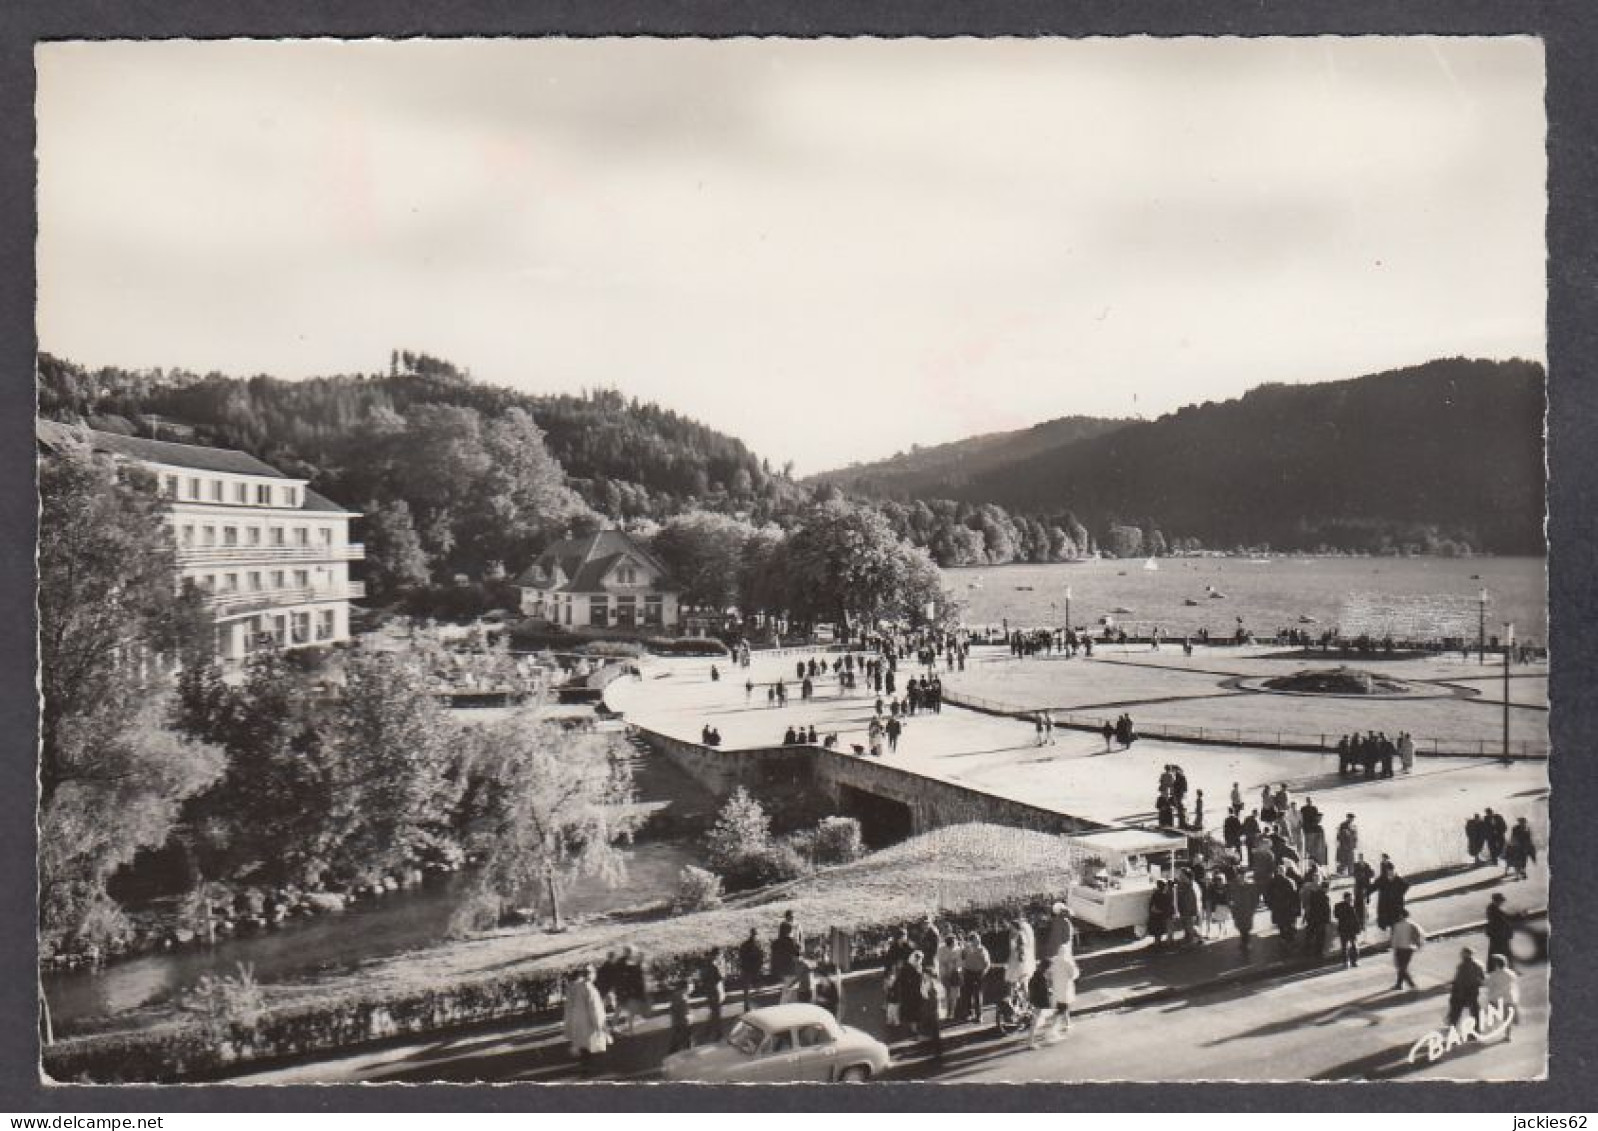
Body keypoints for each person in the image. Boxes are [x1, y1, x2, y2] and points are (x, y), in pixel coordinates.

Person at [564, 967, 612, 1073]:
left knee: (584, 1049)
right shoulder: (589, 988)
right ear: (591, 974)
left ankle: (585, 1067)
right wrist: (600, 1026)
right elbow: (594, 1009)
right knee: (595, 1048)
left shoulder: (575, 987)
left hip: (578, 1022)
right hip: (589, 1023)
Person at [1448, 947, 1486, 1030]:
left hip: (1461, 992)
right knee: (1474, 1011)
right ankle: (1476, 1028)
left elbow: (1458, 980)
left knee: (1456, 1012)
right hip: (1473, 991)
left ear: (1466, 954)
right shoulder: (1479, 965)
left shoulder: (1462, 966)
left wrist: (1453, 987)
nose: (1461, 955)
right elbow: (1482, 978)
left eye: (1462, 954)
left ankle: (1452, 1028)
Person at [1485, 954, 1521, 1041]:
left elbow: (1489, 985)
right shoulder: (1511, 973)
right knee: (1507, 1018)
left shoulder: (1494, 975)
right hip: (1510, 998)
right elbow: (1514, 985)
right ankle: (1508, 1035)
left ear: (1496, 964)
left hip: (1497, 999)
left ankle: (1491, 1031)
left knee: (1493, 1015)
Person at [958, 932, 992, 1024]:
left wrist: (983, 973)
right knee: (967, 994)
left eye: (977, 939)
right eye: (974, 940)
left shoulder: (983, 950)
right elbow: (962, 958)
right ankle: (968, 1013)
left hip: (979, 974)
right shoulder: (966, 948)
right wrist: (962, 971)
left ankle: (979, 1015)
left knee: (977, 995)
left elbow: (988, 964)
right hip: (968, 973)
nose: (976, 941)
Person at [1390, 909, 1426, 991]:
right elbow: (1421, 934)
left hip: (1400, 948)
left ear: (1401, 916)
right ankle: (1399, 984)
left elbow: (1395, 938)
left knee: (1401, 967)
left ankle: (1411, 984)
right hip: (1409, 949)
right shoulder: (1413, 925)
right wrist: (1419, 945)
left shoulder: (1397, 925)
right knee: (1403, 967)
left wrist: (1394, 947)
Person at [1026, 955, 1057, 1048]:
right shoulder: (1041, 977)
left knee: (1037, 1021)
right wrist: (1049, 991)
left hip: (1037, 1001)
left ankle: (1046, 1035)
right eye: (1051, 967)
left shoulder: (1037, 974)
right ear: (1047, 967)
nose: (1051, 969)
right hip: (1039, 1002)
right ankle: (1031, 1043)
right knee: (1035, 1022)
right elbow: (1042, 991)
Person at [1372, 861, 1410, 933]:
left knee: (1396, 921)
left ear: (1393, 870)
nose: (1390, 872)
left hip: (1396, 904)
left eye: (1391, 870)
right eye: (1388, 871)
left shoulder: (1397, 879)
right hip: (1387, 905)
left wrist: (1400, 893)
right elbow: (1374, 886)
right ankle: (1394, 935)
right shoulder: (1383, 879)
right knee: (1390, 921)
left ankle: (1396, 935)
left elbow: (1406, 885)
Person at [1229, 870, 1260, 953]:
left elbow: (1255, 898)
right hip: (1237, 910)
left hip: (1247, 909)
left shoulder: (1251, 886)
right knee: (1239, 926)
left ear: (1245, 877)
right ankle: (1244, 940)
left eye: (1242, 876)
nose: (1241, 878)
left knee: (1247, 926)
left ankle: (1246, 942)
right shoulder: (1233, 886)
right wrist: (1232, 907)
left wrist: (1253, 908)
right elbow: (1230, 898)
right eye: (1239, 876)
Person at [700, 950, 727, 1041]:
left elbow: (703, 981)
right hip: (715, 992)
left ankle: (708, 1030)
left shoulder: (704, 967)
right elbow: (719, 980)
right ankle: (718, 1033)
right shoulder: (714, 967)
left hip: (709, 992)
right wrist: (721, 993)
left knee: (714, 1012)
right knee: (717, 1013)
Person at [935, 933, 963, 1020]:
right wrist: (948, 963)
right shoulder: (941, 949)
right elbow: (940, 960)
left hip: (955, 974)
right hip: (944, 974)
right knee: (946, 994)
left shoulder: (959, 949)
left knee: (954, 995)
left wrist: (956, 969)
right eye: (951, 944)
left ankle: (952, 1013)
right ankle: (946, 1012)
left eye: (954, 943)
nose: (953, 945)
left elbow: (960, 963)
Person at [1485, 893, 1515, 968]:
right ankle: (1509, 968)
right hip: (1499, 935)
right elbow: (1506, 918)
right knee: (1503, 952)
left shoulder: (1494, 909)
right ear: (1496, 901)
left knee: (1497, 952)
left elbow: (1506, 918)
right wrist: (1520, 916)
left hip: (1498, 934)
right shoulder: (1494, 910)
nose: (1502, 903)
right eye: (1501, 901)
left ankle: (1493, 968)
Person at [737, 928, 765, 1012]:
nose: (755, 936)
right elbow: (743, 956)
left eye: (755, 934)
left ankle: (749, 1006)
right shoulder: (749, 945)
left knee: (751, 989)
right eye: (754, 934)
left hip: (751, 969)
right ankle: (748, 1007)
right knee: (748, 989)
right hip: (749, 969)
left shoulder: (753, 944)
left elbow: (760, 955)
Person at [1333, 892, 1361, 968]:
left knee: (1346, 946)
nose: (1350, 899)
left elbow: (1336, 915)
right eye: (1349, 898)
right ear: (1346, 898)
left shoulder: (1338, 906)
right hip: (1349, 929)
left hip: (1344, 929)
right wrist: (1357, 928)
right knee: (1353, 946)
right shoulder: (1350, 907)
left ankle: (1347, 962)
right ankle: (1353, 961)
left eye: (1351, 898)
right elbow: (1355, 919)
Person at [667, 979, 695, 1054]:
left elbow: (672, 1009)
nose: (693, 988)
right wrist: (689, 1019)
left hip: (677, 1022)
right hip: (683, 1023)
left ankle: (672, 1053)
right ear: (686, 987)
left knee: (677, 1041)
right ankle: (689, 1054)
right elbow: (684, 1011)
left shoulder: (676, 994)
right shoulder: (683, 996)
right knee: (687, 1040)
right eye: (692, 986)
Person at [1301, 797, 1327, 867]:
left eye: (1310, 801)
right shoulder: (1303, 809)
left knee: (1316, 847)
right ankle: (1311, 861)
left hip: (1312, 828)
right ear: (1306, 801)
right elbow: (1302, 818)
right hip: (1307, 829)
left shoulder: (1314, 808)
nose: (1309, 802)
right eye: (1308, 801)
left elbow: (1316, 817)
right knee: (1309, 847)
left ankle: (1317, 862)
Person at [1147, 879, 1173, 948]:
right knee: (1163, 929)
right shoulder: (1167, 894)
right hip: (1163, 914)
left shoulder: (1156, 894)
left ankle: (1157, 943)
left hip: (1157, 915)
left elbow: (1152, 905)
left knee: (1157, 931)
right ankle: (1165, 943)